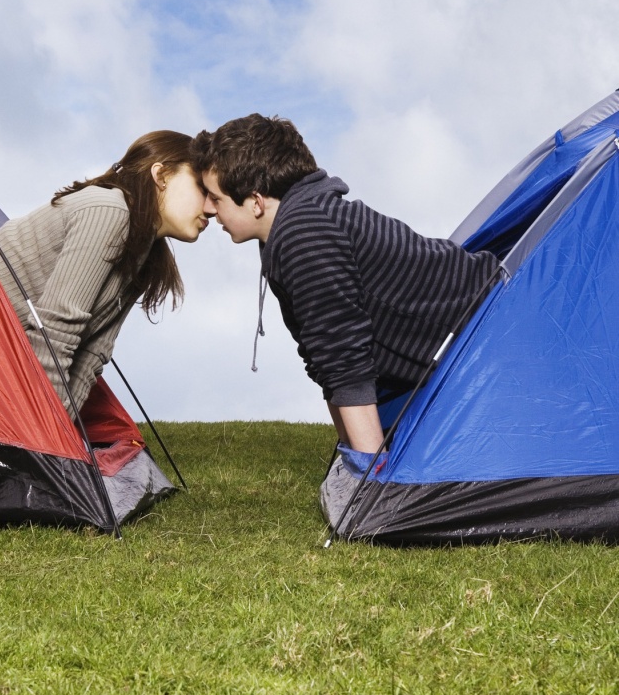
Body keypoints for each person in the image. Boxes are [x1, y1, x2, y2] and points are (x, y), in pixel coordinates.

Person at [191, 115, 499, 456]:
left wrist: (371, 479)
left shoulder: (304, 233)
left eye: (215, 198)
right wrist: (350, 457)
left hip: (495, 333)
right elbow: (323, 359)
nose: (207, 208)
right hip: (470, 349)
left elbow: (345, 362)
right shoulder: (288, 231)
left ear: (255, 201)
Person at [0, 131, 208, 417]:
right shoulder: (109, 211)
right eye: (202, 188)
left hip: (9, 374)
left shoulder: (148, 252)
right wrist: (46, 431)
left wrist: (65, 426)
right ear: (162, 175)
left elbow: (94, 352)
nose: (211, 207)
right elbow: (53, 331)